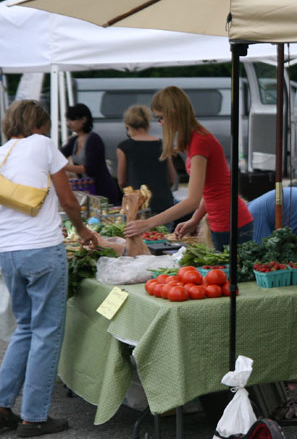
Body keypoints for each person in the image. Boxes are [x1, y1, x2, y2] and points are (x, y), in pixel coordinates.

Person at [0, 100, 98, 437]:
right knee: (45, 331)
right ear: (39, 124)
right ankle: (34, 417)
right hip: (41, 248)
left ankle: (1, 406)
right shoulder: (42, 144)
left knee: (25, 328)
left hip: (7, 252)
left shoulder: (2, 153)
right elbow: (68, 199)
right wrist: (83, 231)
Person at [123, 86, 253, 251]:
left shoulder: (200, 141)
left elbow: (192, 200)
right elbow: (212, 188)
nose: (160, 123)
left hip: (232, 223)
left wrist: (148, 223)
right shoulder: (195, 139)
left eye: (161, 117)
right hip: (221, 222)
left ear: (174, 112)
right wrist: (194, 220)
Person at [116, 105, 177, 219]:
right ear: (147, 124)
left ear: (128, 126)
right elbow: (172, 179)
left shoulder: (124, 147)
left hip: (138, 206)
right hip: (164, 205)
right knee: (162, 236)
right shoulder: (163, 144)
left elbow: (121, 181)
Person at [61, 103, 121, 205]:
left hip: (102, 190)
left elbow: (90, 168)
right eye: (67, 120)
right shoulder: (74, 140)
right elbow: (59, 155)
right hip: (87, 191)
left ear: (83, 119)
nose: (68, 123)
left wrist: (65, 167)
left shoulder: (94, 139)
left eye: (72, 120)